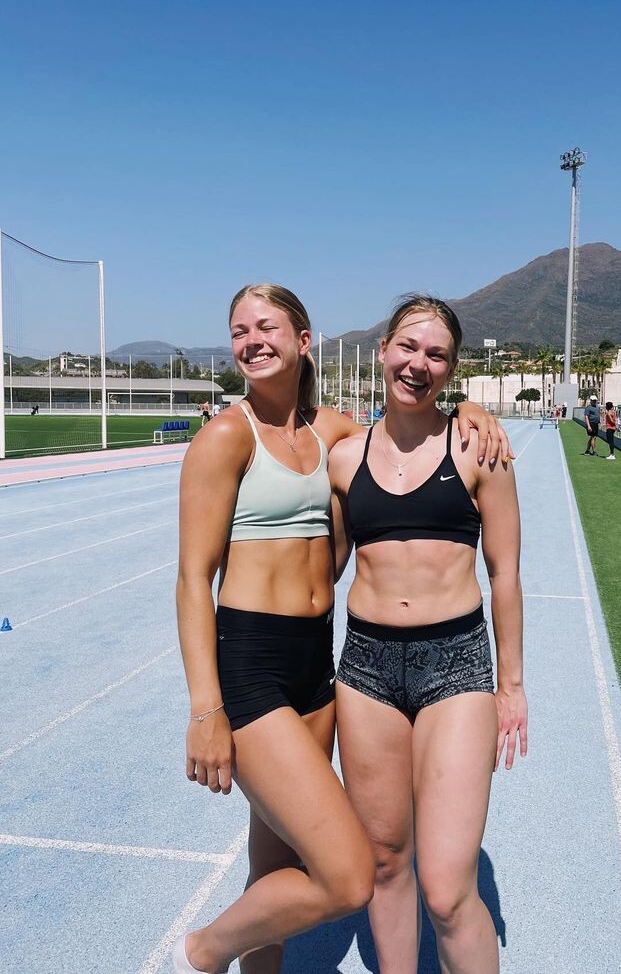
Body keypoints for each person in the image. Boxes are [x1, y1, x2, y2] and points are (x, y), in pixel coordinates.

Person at [174, 284, 510, 974]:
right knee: (348, 873)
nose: (251, 341)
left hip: (317, 662)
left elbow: (412, 425)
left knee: (274, 859)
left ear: (304, 342)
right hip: (253, 661)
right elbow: (190, 578)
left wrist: (470, 410)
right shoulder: (225, 436)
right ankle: (202, 952)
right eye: (239, 331)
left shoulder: (333, 433)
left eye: (266, 327)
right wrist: (205, 707)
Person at [329, 295, 527, 974]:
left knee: (445, 889)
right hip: (365, 670)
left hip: (456, 666)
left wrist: (512, 685)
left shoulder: (479, 449)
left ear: (452, 367)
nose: (419, 364)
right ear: (383, 350)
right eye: (408, 347)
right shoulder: (343, 457)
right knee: (386, 863)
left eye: (436, 354)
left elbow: (505, 573)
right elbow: (323, 567)